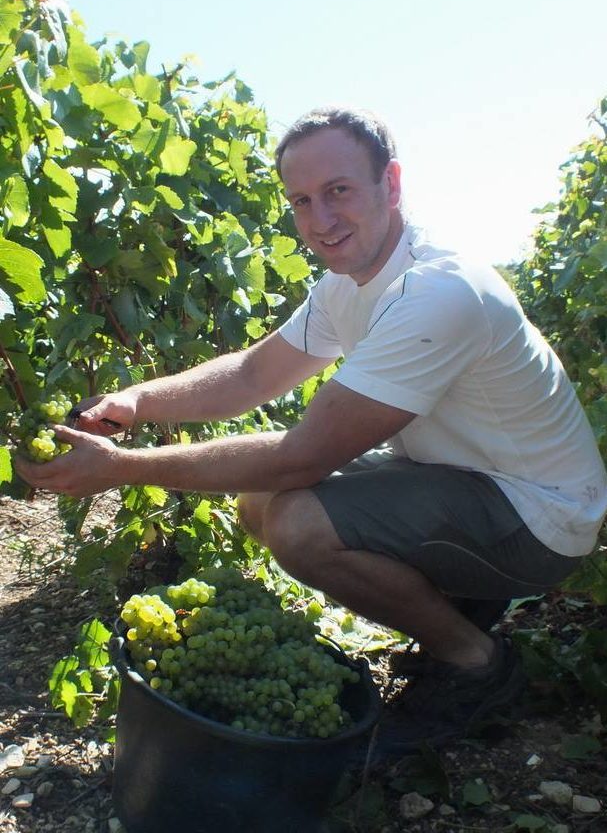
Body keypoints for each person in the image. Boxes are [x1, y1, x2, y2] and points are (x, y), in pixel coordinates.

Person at [16, 107, 607, 759]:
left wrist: (120, 467)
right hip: (464, 480)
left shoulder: (435, 292)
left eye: (339, 191)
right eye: (301, 200)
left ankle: (476, 665)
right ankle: (458, 605)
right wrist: (138, 399)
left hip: (540, 516)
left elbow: (300, 457)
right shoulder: (343, 288)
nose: (319, 219)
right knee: (260, 509)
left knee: (297, 522)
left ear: (391, 183)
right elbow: (250, 374)